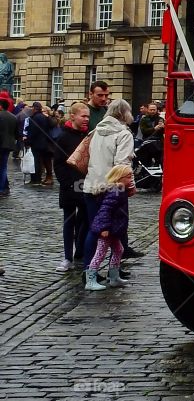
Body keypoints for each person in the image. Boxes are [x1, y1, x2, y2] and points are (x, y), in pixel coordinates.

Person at [82, 99, 142, 268]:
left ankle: (89, 270)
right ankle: (111, 272)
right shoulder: (124, 134)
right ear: (125, 113)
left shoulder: (96, 130)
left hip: (91, 184)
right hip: (113, 189)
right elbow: (122, 165)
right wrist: (130, 186)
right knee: (116, 231)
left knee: (94, 230)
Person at [51, 100, 90, 271]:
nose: (86, 119)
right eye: (83, 116)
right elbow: (58, 164)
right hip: (69, 186)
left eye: (88, 116)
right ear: (73, 116)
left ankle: (79, 253)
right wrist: (66, 183)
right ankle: (67, 257)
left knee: (84, 220)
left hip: (85, 184)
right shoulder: (63, 136)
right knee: (69, 221)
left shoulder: (87, 135)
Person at [84, 164, 133, 291]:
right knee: (100, 253)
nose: (131, 179)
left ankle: (114, 277)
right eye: (129, 176)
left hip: (114, 229)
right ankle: (90, 279)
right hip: (108, 229)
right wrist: (104, 228)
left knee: (119, 250)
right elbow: (105, 210)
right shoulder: (115, 192)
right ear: (119, 178)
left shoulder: (120, 191)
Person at [26, 102, 56, 186]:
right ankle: (43, 178)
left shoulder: (34, 118)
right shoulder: (44, 117)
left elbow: (32, 131)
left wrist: (28, 141)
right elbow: (52, 125)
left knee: (36, 161)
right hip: (46, 142)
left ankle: (36, 179)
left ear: (34, 108)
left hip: (36, 143)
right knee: (44, 161)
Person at [0, 94, 18, 196]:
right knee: (3, 166)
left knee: (2, 167)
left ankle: (2, 188)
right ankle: (5, 187)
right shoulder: (13, 117)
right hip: (8, 145)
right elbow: (16, 133)